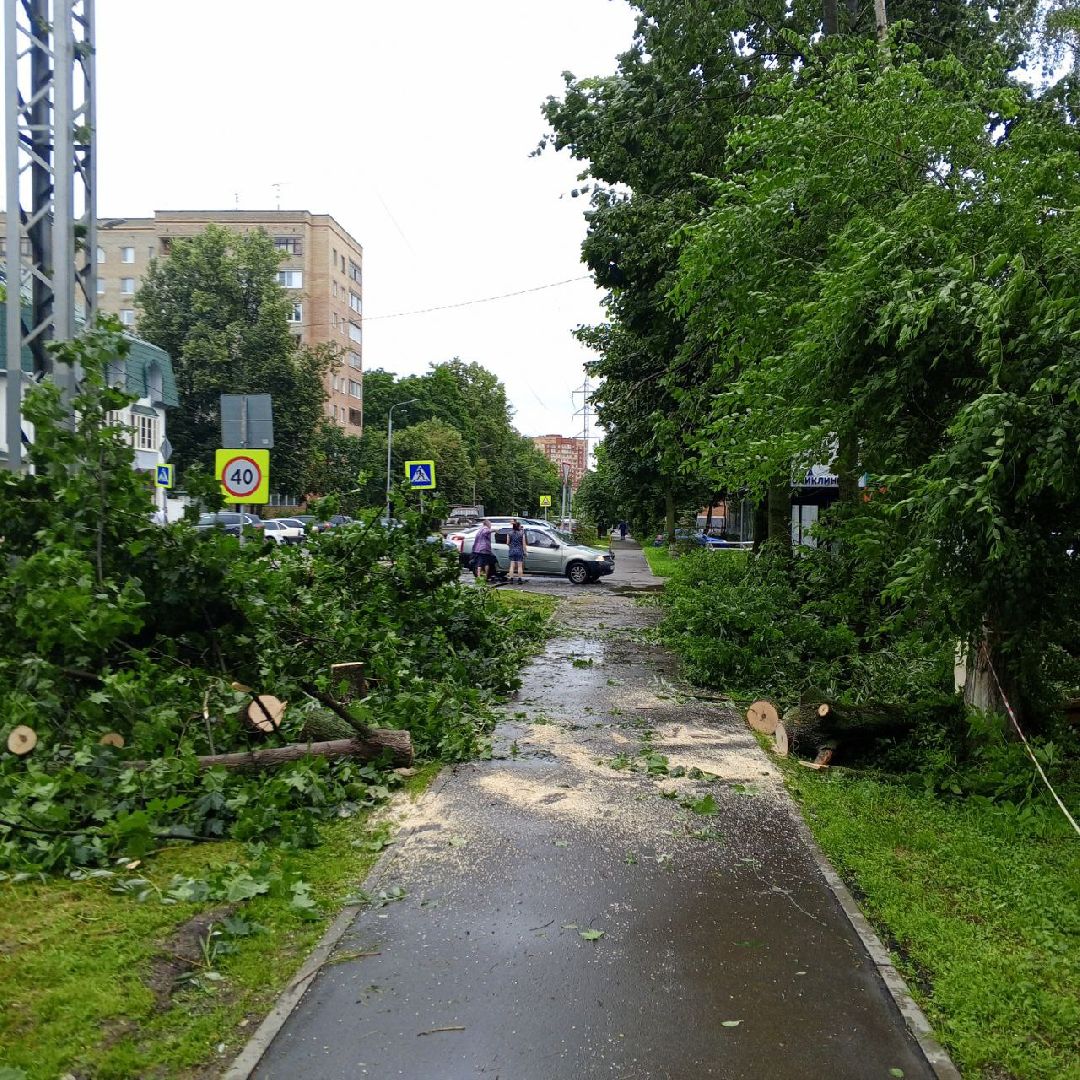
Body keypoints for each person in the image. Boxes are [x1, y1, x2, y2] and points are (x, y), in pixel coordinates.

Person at [471, 518, 496, 583]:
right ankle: (485, 577)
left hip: (478, 549)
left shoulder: (479, 530)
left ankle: (478, 577)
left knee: (479, 563)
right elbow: (486, 532)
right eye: (490, 524)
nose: (490, 525)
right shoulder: (485, 529)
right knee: (486, 563)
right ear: (487, 524)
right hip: (484, 549)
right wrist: (494, 530)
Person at [507, 519, 528, 584]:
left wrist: (511, 545)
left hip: (512, 550)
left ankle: (511, 579)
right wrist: (525, 551)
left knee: (512, 565)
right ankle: (519, 579)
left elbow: (507, 542)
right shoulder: (522, 533)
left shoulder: (509, 533)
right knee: (519, 566)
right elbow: (524, 544)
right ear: (518, 526)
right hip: (519, 550)